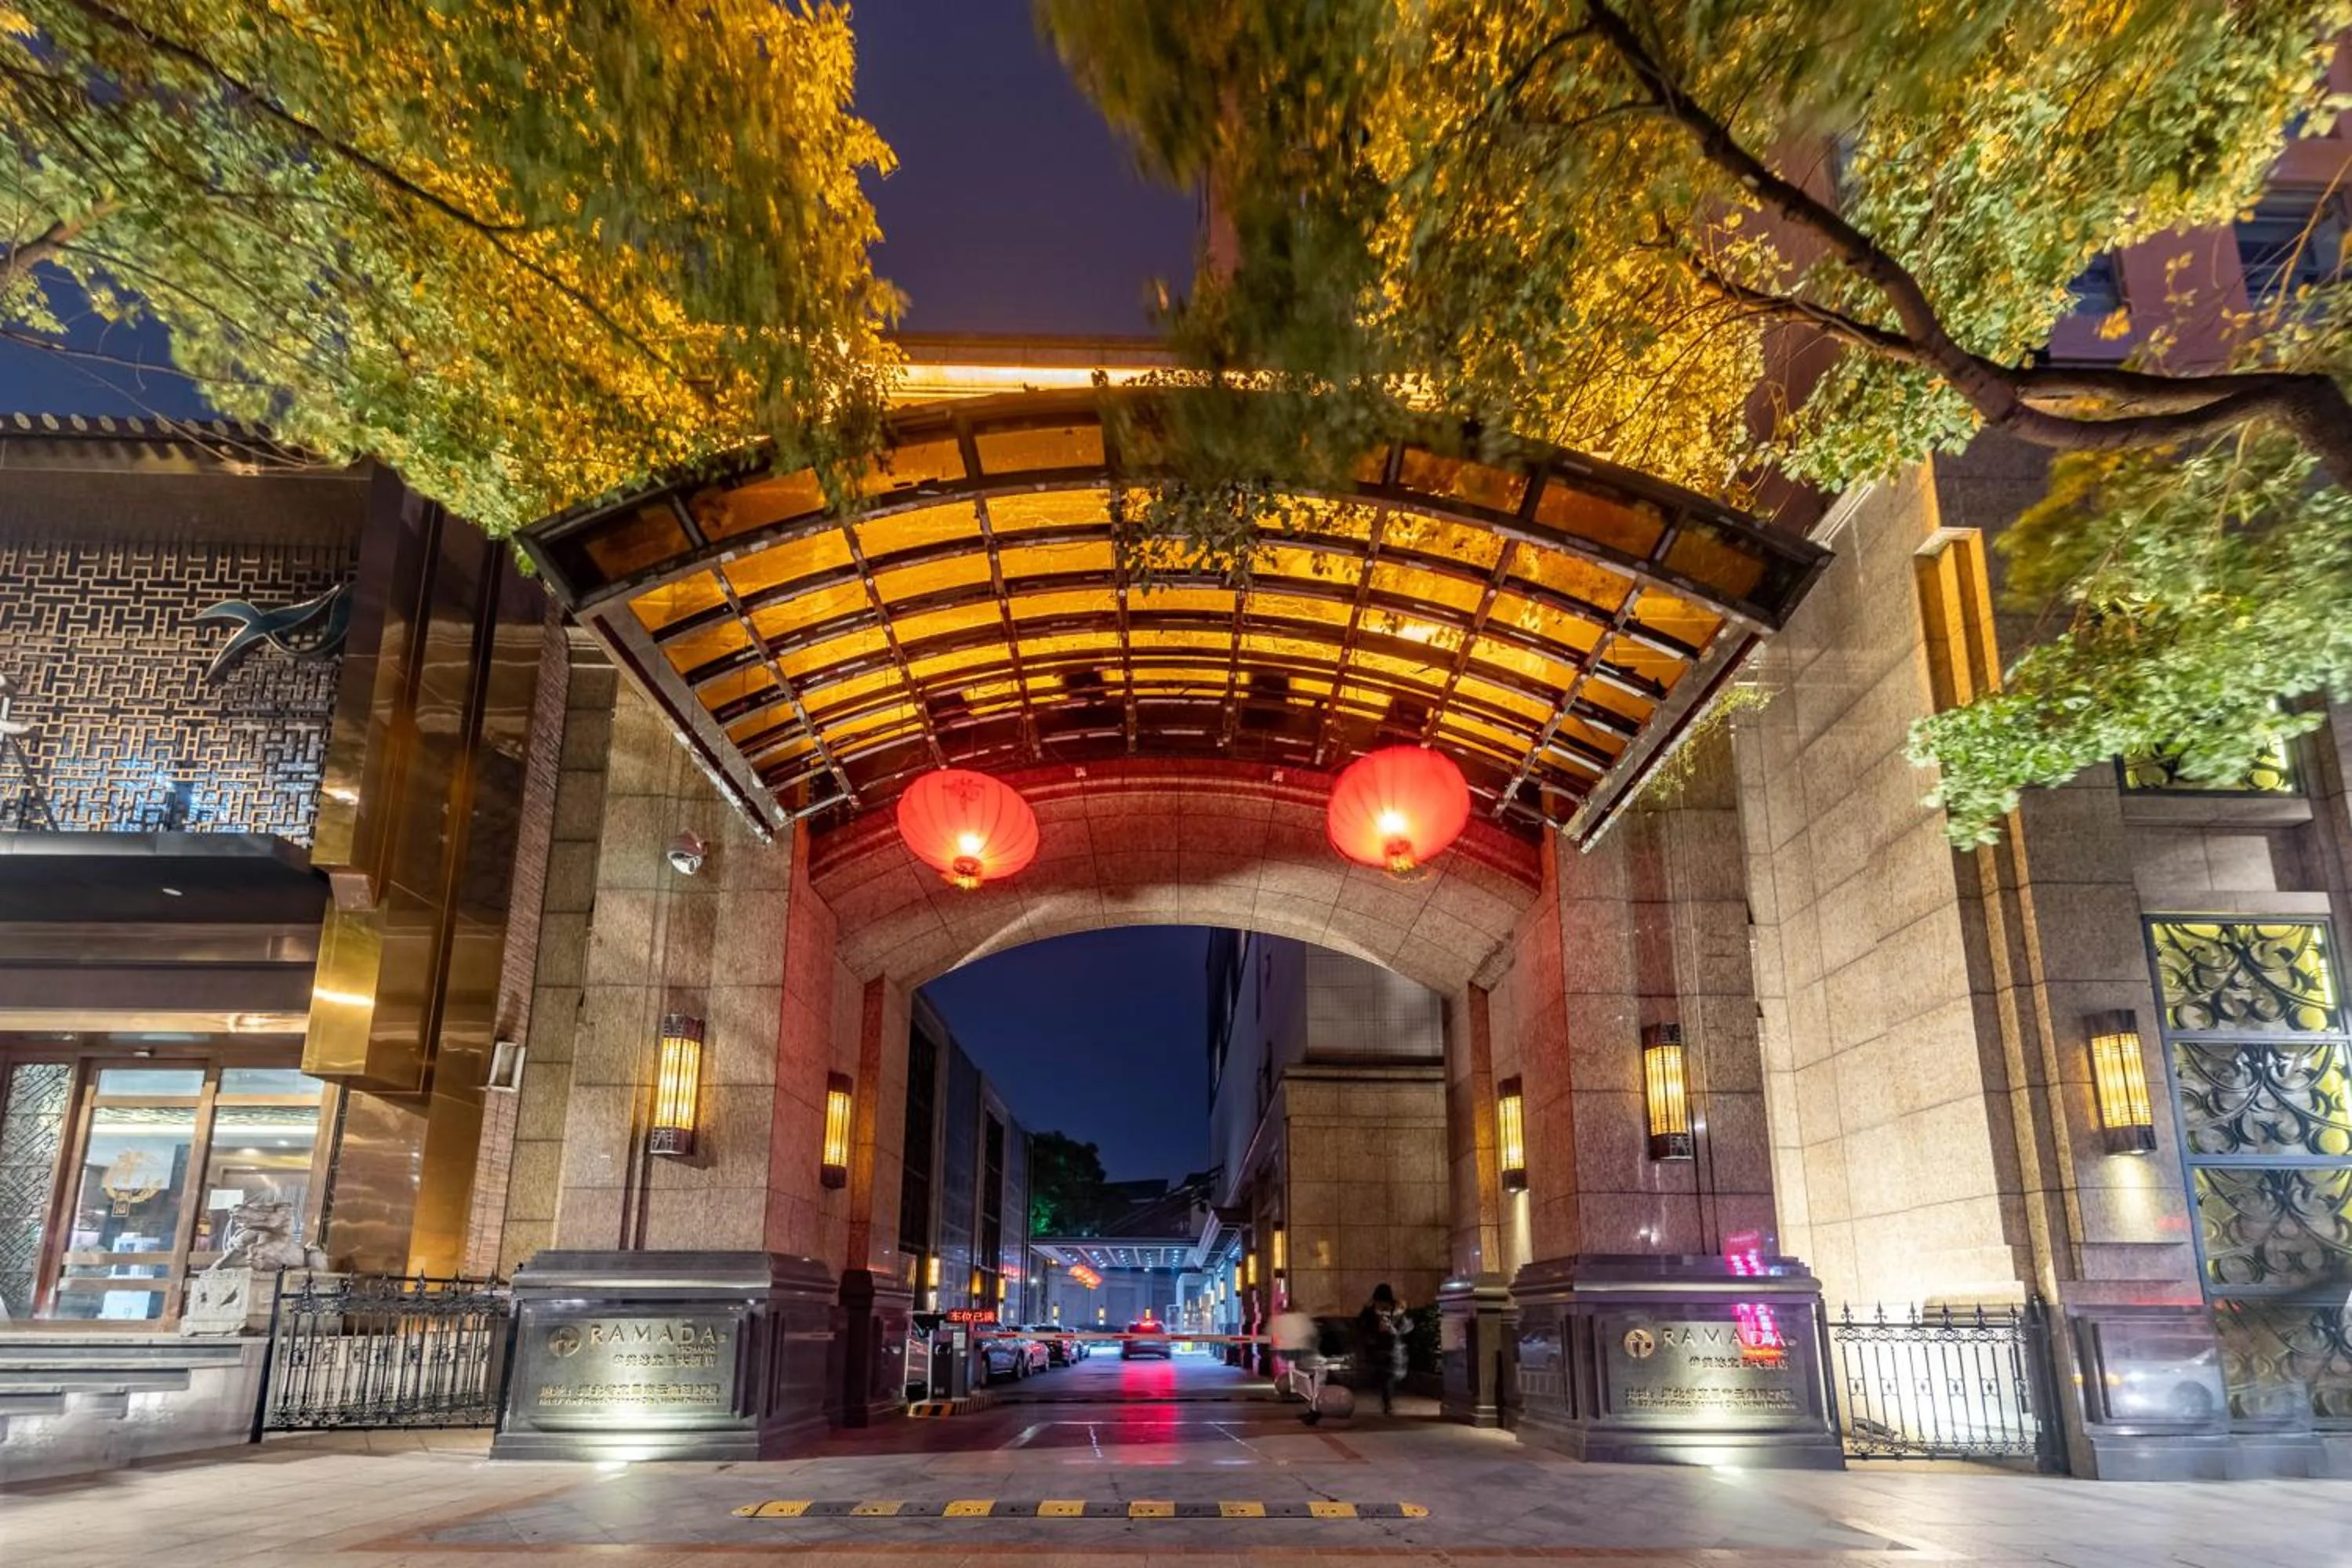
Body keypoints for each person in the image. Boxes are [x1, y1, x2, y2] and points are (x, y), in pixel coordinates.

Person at [1356, 1283, 1408, 1416]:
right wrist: (1374, 1332)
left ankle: (1387, 1402)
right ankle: (1387, 1401)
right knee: (1383, 1376)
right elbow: (1361, 1327)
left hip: (1391, 1348)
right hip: (1377, 1348)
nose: (1382, 1305)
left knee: (1388, 1376)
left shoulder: (1397, 1311)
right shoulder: (1369, 1311)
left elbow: (1405, 1327)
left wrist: (1393, 1329)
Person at [1270, 1300, 1323, 1424]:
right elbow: (1312, 1333)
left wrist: (1278, 1348)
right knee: (1307, 1380)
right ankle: (1312, 1407)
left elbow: (1275, 1336)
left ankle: (1313, 1408)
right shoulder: (1302, 1318)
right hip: (1305, 1352)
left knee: (1304, 1380)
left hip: (1294, 1352)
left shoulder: (1281, 1320)